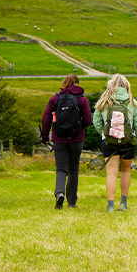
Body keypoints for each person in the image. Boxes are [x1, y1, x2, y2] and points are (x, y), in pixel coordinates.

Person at [93, 74, 137, 213]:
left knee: (111, 173)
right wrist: (133, 135)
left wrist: (105, 135)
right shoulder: (132, 102)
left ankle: (110, 206)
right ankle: (123, 203)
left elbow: (96, 121)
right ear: (126, 86)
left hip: (109, 142)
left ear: (111, 85)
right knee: (125, 171)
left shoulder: (104, 101)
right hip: (128, 142)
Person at [42, 74, 92, 209]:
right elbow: (88, 121)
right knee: (74, 169)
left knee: (61, 169)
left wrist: (45, 137)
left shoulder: (55, 99)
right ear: (76, 84)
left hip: (59, 139)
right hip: (77, 139)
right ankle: (72, 202)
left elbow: (46, 119)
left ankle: (59, 193)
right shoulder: (82, 100)